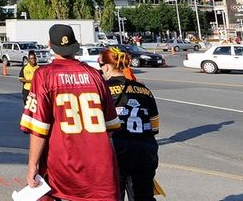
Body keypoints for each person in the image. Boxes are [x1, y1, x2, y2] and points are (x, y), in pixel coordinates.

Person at [20, 24, 122, 200]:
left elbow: (38, 128)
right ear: (75, 44)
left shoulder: (43, 75)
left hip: (63, 166)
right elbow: (111, 126)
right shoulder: (95, 75)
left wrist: (32, 166)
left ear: (50, 45)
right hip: (100, 167)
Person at [99, 47, 160, 201]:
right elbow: (154, 126)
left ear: (106, 66)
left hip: (117, 149)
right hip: (146, 149)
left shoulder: (103, 90)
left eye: (100, 65)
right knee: (143, 197)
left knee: (113, 196)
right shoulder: (144, 89)